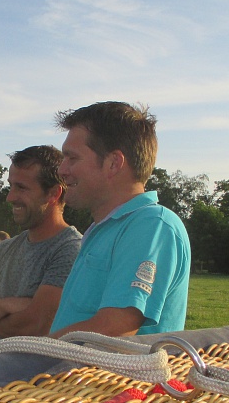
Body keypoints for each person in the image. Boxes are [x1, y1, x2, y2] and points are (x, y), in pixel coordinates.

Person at [49, 101, 191, 337]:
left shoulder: (152, 225)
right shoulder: (104, 229)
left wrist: (25, 352)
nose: (61, 170)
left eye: (72, 158)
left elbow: (114, 329)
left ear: (114, 163)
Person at [0, 145, 82, 339]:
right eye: (11, 186)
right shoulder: (4, 250)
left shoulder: (70, 250)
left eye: (21, 188)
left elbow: (34, 327)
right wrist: (7, 305)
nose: (10, 197)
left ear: (53, 194)